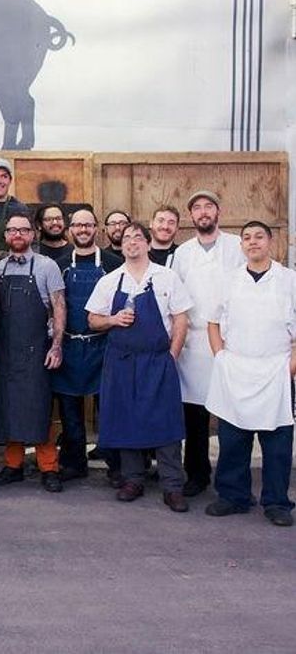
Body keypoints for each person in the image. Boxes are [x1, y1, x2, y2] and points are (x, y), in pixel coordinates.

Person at [87, 222, 193, 512]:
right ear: (121, 246)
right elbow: (93, 319)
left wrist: (171, 355)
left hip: (158, 360)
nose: (132, 242)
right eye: (127, 238)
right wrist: (112, 320)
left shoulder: (167, 277)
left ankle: (173, 486)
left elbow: (181, 319)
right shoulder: (110, 280)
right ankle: (132, 479)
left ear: (148, 243)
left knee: (167, 424)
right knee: (126, 420)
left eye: (138, 237)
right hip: (121, 362)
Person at [205, 221, 295, 527]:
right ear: (241, 245)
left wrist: (289, 367)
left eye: (259, 236)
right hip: (236, 369)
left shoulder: (288, 280)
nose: (252, 242)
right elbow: (213, 322)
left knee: (278, 443)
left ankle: (277, 502)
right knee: (232, 439)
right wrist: (221, 357)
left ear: (270, 241)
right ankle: (233, 496)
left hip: (276, 371)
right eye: (247, 237)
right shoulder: (229, 280)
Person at [171, 190, 245, 497]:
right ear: (191, 217)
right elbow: (174, 299)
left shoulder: (236, 247)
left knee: (232, 414)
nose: (203, 212)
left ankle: (233, 479)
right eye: (197, 208)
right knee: (195, 416)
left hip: (231, 340)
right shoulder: (184, 253)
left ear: (218, 212)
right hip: (193, 342)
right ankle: (197, 474)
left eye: (208, 207)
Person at [0, 213, 67, 493]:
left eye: (23, 230)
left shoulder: (47, 267)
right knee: (8, 407)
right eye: (12, 230)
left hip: (37, 351)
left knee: (38, 408)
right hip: (4, 352)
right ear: (6, 235)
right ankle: (13, 465)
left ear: (33, 234)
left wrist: (57, 346)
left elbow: (59, 307)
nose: (17, 235)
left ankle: (49, 467)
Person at [51, 208, 122, 484]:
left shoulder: (113, 263)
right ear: (70, 229)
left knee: (109, 409)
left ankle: (116, 466)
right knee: (70, 410)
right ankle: (74, 462)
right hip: (68, 345)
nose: (83, 230)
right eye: (78, 225)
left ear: (97, 229)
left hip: (103, 345)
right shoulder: (57, 264)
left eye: (88, 225)